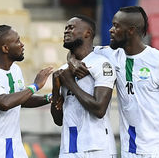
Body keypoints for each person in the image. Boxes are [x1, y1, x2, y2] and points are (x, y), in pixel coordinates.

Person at [68, 6, 159, 158]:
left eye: (116, 26)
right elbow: (79, 49)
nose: (111, 30)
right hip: (129, 150)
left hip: (158, 149)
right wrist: (72, 61)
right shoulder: (111, 55)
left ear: (131, 30)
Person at [0, 25, 53, 158]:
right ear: (5, 48)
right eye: (17, 41)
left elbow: (21, 100)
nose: (22, 44)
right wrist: (35, 86)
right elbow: (4, 103)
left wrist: (49, 98)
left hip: (14, 146)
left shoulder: (16, 70)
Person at [50, 15, 117, 158]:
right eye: (65, 28)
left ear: (88, 33)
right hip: (69, 147)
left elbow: (99, 109)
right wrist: (55, 90)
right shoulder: (64, 70)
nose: (66, 31)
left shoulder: (102, 64)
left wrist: (70, 84)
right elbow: (58, 119)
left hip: (97, 148)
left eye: (71, 27)